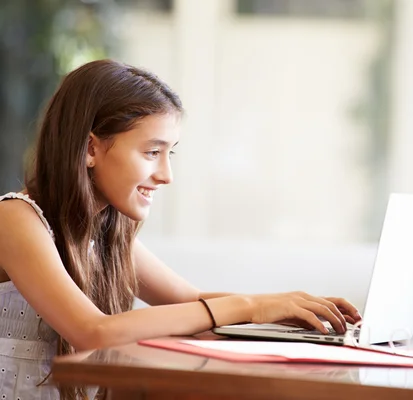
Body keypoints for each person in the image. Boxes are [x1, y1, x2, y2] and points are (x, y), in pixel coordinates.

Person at [0, 59, 361, 400]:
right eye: (151, 152)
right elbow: (92, 331)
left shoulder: (106, 230)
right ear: (90, 148)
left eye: (169, 153)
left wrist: (287, 312)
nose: (166, 175)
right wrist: (251, 306)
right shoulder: (16, 218)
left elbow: (191, 305)